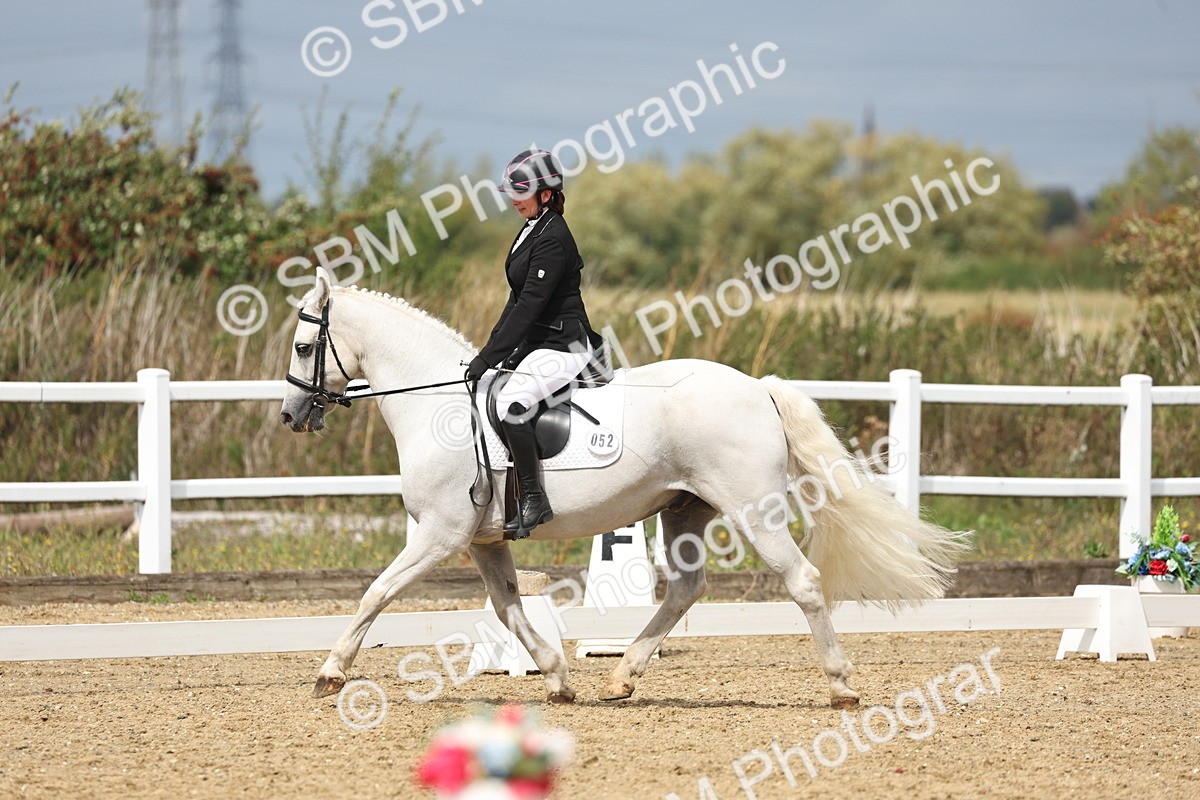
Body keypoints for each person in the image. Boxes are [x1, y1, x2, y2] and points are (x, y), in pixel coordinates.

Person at [465, 149, 601, 539]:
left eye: (521, 191)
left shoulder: (554, 236)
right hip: (539, 343)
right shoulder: (532, 227)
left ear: (546, 192)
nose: (513, 199)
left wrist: (488, 357)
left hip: (564, 345)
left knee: (512, 405)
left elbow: (529, 307)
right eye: (512, 191)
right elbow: (516, 298)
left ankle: (534, 498)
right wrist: (491, 351)